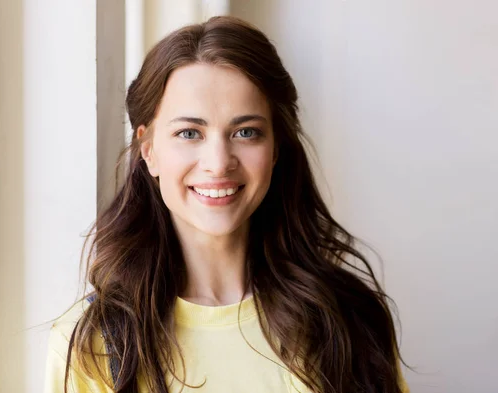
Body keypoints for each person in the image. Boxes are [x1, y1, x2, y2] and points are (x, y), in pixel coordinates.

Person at [43, 16, 410, 393]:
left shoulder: (352, 318)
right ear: (149, 150)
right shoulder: (94, 345)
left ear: (276, 148)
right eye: (189, 133)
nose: (218, 162)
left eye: (245, 132)